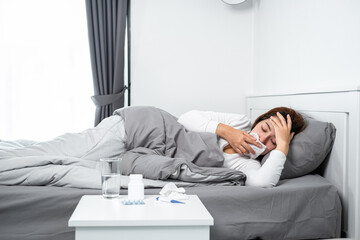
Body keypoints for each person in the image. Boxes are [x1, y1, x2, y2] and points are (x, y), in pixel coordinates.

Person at [177, 107, 306, 188]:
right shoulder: (241, 123)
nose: (261, 139)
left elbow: (263, 183)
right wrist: (227, 131)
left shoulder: (249, 165)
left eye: (273, 142)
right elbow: (185, 119)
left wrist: (283, 146)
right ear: (258, 121)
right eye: (264, 128)